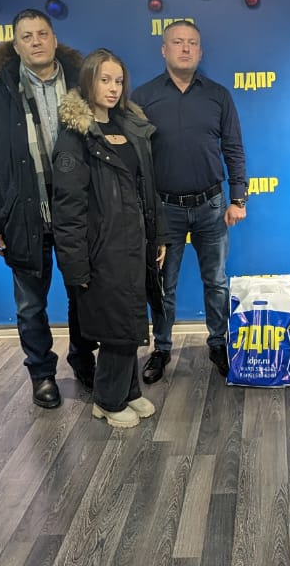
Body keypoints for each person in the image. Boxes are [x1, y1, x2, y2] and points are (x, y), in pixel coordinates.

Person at [0, 9, 97, 410]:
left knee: (84, 297)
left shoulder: (83, 87)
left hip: (78, 217)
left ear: (54, 40)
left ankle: (84, 361)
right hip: (24, 217)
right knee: (30, 305)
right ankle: (41, 374)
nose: (36, 41)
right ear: (16, 44)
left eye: (42, 33)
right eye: (27, 36)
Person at [51, 49, 166, 428]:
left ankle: (127, 391)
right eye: (105, 80)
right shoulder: (76, 138)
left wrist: (157, 236)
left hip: (135, 245)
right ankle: (106, 399)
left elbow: (147, 188)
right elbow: (68, 210)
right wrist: (75, 266)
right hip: (102, 250)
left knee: (130, 323)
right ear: (88, 82)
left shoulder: (128, 127)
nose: (113, 88)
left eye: (118, 81)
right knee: (116, 328)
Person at [132, 20, 247, 384]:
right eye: (177, 42)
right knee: (163, 285)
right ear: (164, 50)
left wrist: (238, 197)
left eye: (192, 43)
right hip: (164, 210)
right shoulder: (142, 97)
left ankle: (218, 343)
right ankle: (162, 347)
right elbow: (134, 159)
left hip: (211, 205)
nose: (185, 48)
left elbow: (233, 148)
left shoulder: (218, 95)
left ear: (200, 51)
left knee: (216, 281)